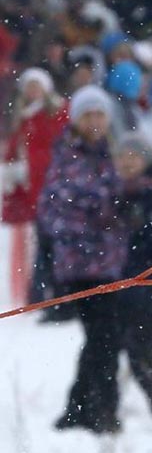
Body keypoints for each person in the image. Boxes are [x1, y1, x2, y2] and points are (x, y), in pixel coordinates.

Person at [41, 85, 126, 434]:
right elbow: (52, 214)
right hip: (81, 266)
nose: (95, 121)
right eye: (88, 114)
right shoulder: (66, 157)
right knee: (104, 337)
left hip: (112, 262)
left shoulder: (112, 153)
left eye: (100, 114)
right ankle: (99, 410)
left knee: (105, 338)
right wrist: (96, 220)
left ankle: (82, 408)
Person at [111, 132, 152, 417]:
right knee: (121, 348)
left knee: (145, 348)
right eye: (122, 156)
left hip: (143, 284)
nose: (127, 162)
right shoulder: (111, 192)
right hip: (115, 282)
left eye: (133, 156)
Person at [2, 68, 68, 309]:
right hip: (33, 189)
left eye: (36, 86)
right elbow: (14, 149)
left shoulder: (57, 113)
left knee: (49, 243)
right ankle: (38, 294)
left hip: (52, 186)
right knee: (39, 243)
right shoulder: (23, 116)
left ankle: (46, 293)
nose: (32, 92)